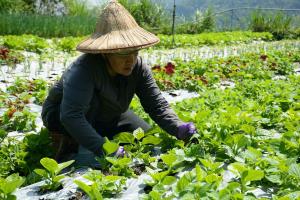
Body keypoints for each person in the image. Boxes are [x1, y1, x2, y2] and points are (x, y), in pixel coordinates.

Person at [41, 0, 196, 166]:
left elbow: (156, 105)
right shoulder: (84, 70)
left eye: (135, 51)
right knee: (92, 150)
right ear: (106, 52)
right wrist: (105, 148)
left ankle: (95, 136)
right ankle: (76, 146)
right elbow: (71, 116)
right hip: (63, 115)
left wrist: (178, 127)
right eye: (123, 53)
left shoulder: (138, 68)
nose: (130, 59)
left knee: (147, 139)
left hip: (109, 114)